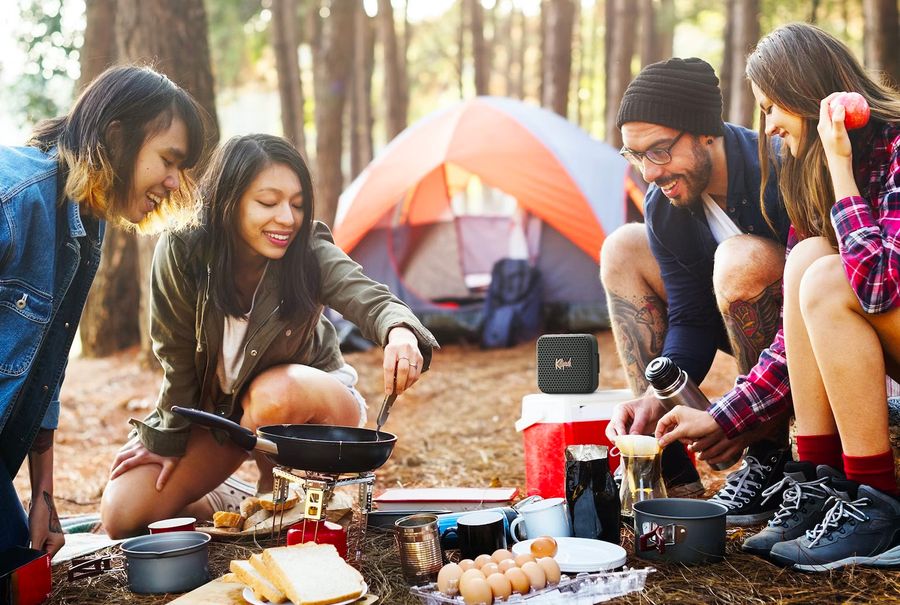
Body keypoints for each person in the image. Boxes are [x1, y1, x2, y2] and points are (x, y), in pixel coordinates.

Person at [100, 134, 439, 538]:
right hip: (229, 420)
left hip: (313, 409)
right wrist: (166, 436)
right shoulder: (183, 248)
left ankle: (277, 491)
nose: (287, 218)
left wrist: (399, 331)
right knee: (123, 516)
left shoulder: (308, 249)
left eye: (296, 204)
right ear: (229, 201)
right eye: (267, 202)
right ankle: (228, 496)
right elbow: (175, 358)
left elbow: (368, 296)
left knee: (275, 395)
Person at [656, 23, 900, 570]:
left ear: (805, 94)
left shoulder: (895, 148)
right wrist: (726, 416)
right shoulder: (809, 169)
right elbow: (795, 334)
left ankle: (878, 503)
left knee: (826, 275)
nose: (766, 128)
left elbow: (879, 285)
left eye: (771, 108)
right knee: (807, 260)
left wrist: (842, 169)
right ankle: (822, 482)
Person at [0, 65, 206, 557]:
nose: (176, 183)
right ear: (116, 137)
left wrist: (43, 500)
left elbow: (44, 373)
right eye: (168, 160)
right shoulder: (14, 195)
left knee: (19, 564)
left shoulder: (87, 228)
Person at [601, 57, 794, 525]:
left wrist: (740, 416)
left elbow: (821, 303)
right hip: (740, 329)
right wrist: (654, 396)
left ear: (707, 132)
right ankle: (668, 469)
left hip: (810, 339)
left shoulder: (780, 169)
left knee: (740, 258)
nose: (649, 172)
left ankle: (772, 461)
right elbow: (690, 318)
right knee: (622, 247)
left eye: (660, 151)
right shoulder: (665, 206)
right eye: (635, 155)